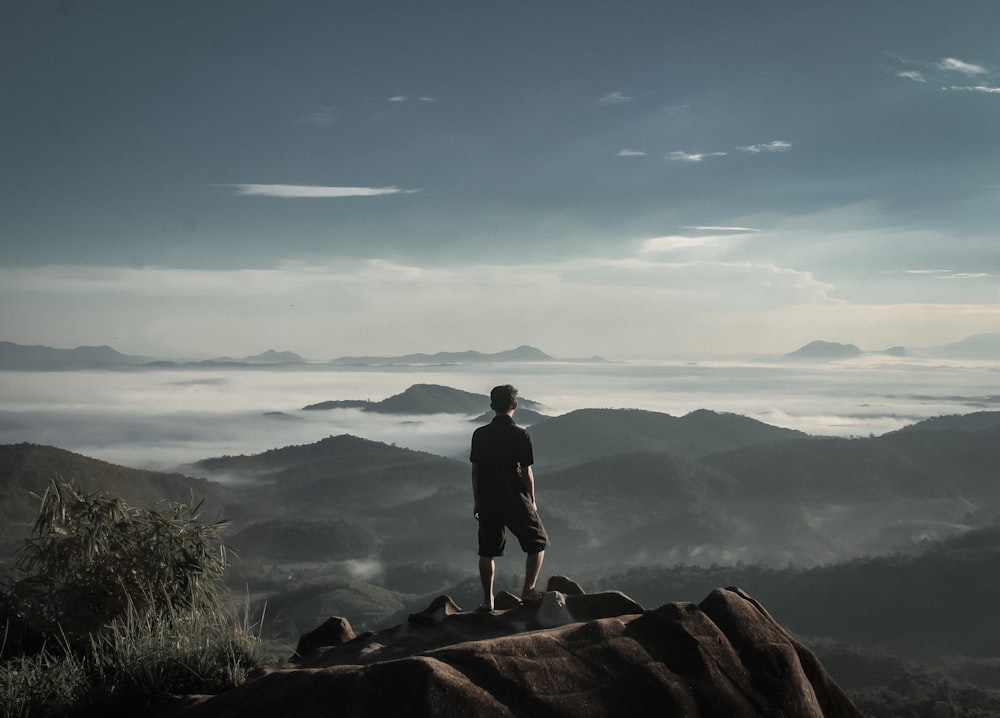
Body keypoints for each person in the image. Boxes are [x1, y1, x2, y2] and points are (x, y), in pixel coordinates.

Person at [470, 384, 548, 611]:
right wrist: (532, 499)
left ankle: (488, 600)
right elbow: (526, 472)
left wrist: (477, 500)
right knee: (537, 542)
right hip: (515, 497)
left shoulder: (480, 434)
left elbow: (476, 470)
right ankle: (529, 590)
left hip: (488, 499)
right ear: (514, 405)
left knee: (487, 551)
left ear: (492, 406)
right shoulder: (520, 434)